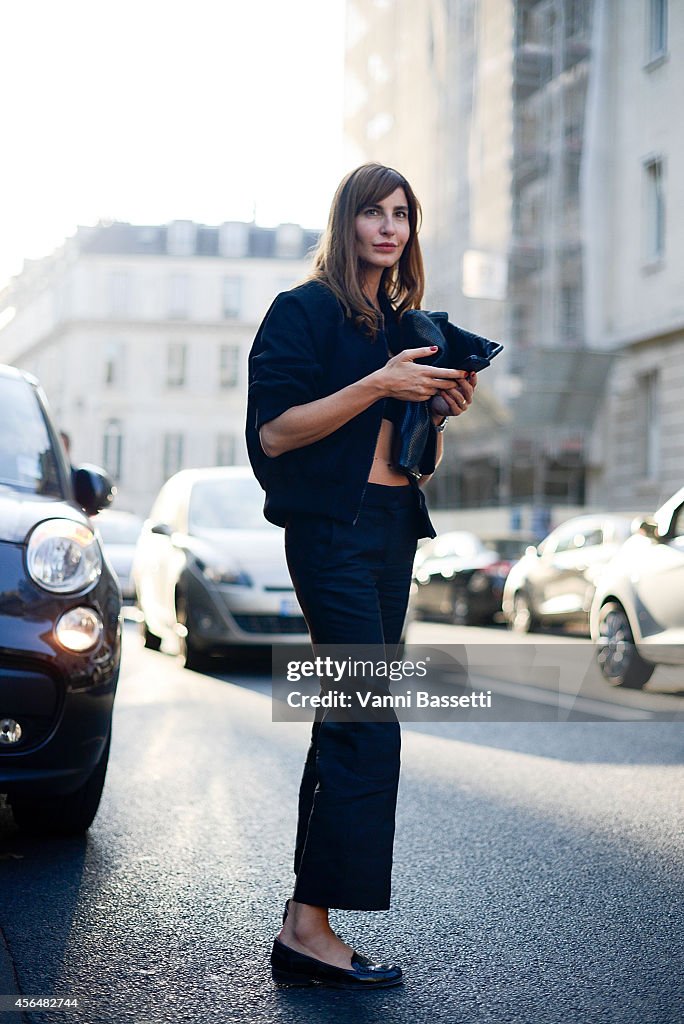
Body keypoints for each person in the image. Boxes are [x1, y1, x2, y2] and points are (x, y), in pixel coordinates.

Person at [246, 163, 476, 990]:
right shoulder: (301, 312)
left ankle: (303, 927)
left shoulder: (406, 323)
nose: (389, 228)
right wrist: (381, 382)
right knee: (366, 718)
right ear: (346, 223)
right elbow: (277, 433)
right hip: (330, 534)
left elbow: (416, 463)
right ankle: (309, 931)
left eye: (403, 215)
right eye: (373, 213)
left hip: (391, 528)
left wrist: (438, 412)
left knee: (346, 719)